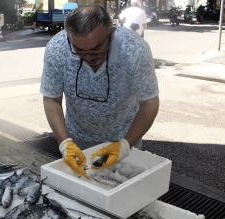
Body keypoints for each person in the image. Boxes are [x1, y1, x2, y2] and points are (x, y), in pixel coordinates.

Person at [40, 5, 159, 176]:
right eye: (80, 51)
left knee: (123, 189)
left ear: (111, 34)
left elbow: (149, 102)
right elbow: (51, 100)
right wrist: (64, 143)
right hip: (76, 136)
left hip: (124, 136)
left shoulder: (135, 50)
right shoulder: (57, 49)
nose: (88, 58)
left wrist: (125, 145)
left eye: (96, 50)